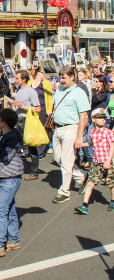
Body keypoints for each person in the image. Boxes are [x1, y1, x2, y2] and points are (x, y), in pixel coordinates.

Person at [0, 108, 23, 258]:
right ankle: (13, 239)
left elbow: (5, 157)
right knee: (10, 209)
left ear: (3, 122)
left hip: (11, 178)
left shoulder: (13, 137)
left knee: (0, 211)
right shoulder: (1, 136)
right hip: (2, 178)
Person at [52, 66, 90, 204]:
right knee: (58, 158)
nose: (61, 80)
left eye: (63, 77)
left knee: (67, 162)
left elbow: (83, 116)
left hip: (71, 129)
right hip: (57, 128)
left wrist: (79, 136)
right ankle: (81, 176)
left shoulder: (79, 92)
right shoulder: (59, 90)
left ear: (72, 77)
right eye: (60, 77)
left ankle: (64, 191)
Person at [74, 108, 114, 214]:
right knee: (90, 183)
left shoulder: (108, 132)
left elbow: (112, 147)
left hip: (106, 161)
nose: (103, 119)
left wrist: (108, 161)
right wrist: (82, 144)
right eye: (100, 118)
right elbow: (92, 143)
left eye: (104, 118)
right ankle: (84, 205)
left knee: (111, 184)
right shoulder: (92, 132)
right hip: (96, 162)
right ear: (93, 119)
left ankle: (113, 201)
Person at [14, 70, 41, 181]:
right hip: (18, 120)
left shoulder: (31, 92)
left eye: (17, 78)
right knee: (15, 145)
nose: (15, 80)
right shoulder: (19, 90)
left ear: (24, 79)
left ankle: (34, 172)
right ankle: (16, 168)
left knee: (31, 147)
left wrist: (23, 107)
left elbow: (38, 108)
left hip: (27, 121)